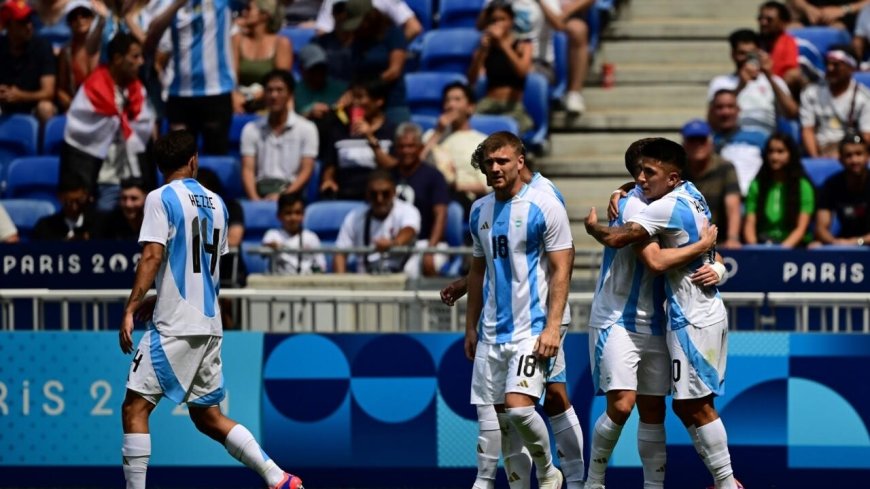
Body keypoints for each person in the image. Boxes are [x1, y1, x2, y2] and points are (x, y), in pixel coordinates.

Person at [118, 130, 304, 489]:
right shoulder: (218, 204)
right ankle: (278, 477)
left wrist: (131, 306)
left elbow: (153, 255)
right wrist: (163, 293)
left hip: (175, 325)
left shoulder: (159, 198)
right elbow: (206, 269)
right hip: (209, 323)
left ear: (159, 167)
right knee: (207, 416)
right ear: (193, 161)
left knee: (134, 408)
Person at [584, 138, 741, 489]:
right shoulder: (671, 196)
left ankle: (725, 482)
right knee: (630, 406)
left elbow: (654, 260)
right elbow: (703, 252)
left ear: (672, 177)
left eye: (648, 171)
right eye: (637, 171)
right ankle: (592, 481)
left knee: (684, 407)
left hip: (685, 318)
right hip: (619, 318)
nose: (641, 178)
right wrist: (714, 262)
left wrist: (593, 227)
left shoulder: (660, 205)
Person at [442, 150, 585, 489]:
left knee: (539, 401)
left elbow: (560, 260)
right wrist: (467, 292)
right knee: (525, 406)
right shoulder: (483, 208)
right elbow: (493, 257)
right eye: (487, 163)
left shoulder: (545, 196)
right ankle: (512, 481)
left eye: (500, 161)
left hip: (542, 316)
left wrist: (552, 325)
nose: (493, 168)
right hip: (499, 320)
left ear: (520, 160)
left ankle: (576, 479)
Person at [61, 32, 153, 212]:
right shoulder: (92, 91)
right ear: (118, 59)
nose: (141, 61)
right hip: (103, 179)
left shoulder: (138, 90)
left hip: (134, 177)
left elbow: (143, 134)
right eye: (135, 56)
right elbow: (78, 136)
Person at [145, 0, 236, 155]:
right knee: (179, 158)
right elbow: (151, 38)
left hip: (216, 92)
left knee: (215, 156)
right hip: (180, 94)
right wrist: (176, 5)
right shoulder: (168, 3)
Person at [241, 70, 318, 201]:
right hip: (260, 192)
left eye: (279, 90)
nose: (274, 95)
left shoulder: (307, 129)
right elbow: (247, 169)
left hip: (292, 195)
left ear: (290, 94)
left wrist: (284, 197)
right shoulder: (251, 129)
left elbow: (307, 169)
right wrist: (255, 201)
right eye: (269, 90)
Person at [708, 28, 798, 138]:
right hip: (730, 140)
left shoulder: (775, 81)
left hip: (765, 140)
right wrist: (740, 86)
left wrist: (769, 76)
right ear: (733, 54)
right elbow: (712, 121)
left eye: (751, 54)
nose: (746, 59)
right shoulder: (720, 82)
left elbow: (792, 113)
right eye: (742, 53)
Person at [389, 122, 450, 278]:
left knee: (412, 272)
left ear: (421, 148)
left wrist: (431, 249)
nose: (406, 151)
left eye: (411, 146)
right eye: (402, 146)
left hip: (426, 241)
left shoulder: (434, 176)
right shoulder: (388, 176)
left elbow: (440, 215)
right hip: (395, 243)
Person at [319, 78, 396, 200]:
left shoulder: (392, 131)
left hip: (379, 197)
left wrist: (370, 138)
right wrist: (328, 180)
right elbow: (330, 164)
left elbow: (393, 167)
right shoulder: (339, 130)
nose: (354, 103)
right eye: (352, 97)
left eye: (360, 97)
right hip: (345, 195)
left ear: (378, 101)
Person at [333, 169, 420, 274]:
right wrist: (341, 285)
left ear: (394, 192)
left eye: (385, 193)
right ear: (367, 194)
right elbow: (340, 253)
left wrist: (393, 244)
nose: (380, 199)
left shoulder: (407, 210)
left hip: (401, 279)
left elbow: (409, 230)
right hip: (366, 280)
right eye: (374, 194)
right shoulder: (354, 217)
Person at [421, 81, 489, 213]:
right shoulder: (431, 135)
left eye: (457, 100)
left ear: (470, 107)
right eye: (447, 100)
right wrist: (438, 132)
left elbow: (487, 185)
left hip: (460, 197)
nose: (450, 105)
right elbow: (417, 162)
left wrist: (455, 185)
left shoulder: (482, 142)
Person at [468, 1, 534, 134]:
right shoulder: (484, 47)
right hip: (489, 103)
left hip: (513, 105)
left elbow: (522, 72)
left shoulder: (523, 45)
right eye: (494, 20)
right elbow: (472, 79)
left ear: (511, 21)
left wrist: (503, 44)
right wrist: (482, 51)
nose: (498, 23)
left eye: (502, 19)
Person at [344, 0, 411, 123]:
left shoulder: (393, 33)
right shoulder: (357, 41)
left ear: (369, 18)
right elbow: (355, 73)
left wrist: (369, 87)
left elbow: (394, 71)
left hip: (392, 103)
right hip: (363, 105)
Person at [743, 133, 815, 247]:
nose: (774, 157)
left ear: (791, 154)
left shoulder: (803, 187)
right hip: (762, 245)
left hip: (794, 248)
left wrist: (780, 253)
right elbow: (750, 223)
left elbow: (801, 228)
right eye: (771, 151)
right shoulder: (757, 185)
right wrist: (755, 248)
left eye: (780, 152)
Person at [681, 119, 743, 248]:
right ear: (684, 144)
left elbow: (733, 206)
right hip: (681, 241)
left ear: (711, 143)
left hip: (718, 241)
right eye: (692, 141)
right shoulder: (677, 170)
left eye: (702, 140)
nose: (697, 145)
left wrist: (733, 238)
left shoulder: (725, 167)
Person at [800, 44, 870, 157]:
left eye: (836, 65)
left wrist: (842, 153)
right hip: (819, 150)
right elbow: (807, 129)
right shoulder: (811, 93)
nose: (830, 68)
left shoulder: (863, 97)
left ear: (850, 67)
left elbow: (866, 136)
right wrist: (817, 159)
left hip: (850, 151)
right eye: (827, 64)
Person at [0, 0, 57, 124]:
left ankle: (42, 143)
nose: (29, 25)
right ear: (9, 26)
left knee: (45, 108)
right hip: (3, 106)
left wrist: (21, 96)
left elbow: (48, 92)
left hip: (32, 106)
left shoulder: (42, 47)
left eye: (29, 20)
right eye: (22, 22)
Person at [232, 0, 292, 113]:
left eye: (249, 9)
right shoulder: (237, 40)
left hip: (269, 104)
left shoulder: (281, 43)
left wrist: (256, 96)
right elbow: (231, 77)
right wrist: (235, 96)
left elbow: (282, 83)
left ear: (264, 15)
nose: (244, 12)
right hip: (239, 103)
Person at [814, 132, 870, 245]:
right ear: (840, 159)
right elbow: (821, 228)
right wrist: (835, 242)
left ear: (867, 156)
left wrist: (857, 242)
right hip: (843, 243)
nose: (854, 160)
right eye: (848, 155)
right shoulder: (832, 184)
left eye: (859, 154)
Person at [707, 89, 766, 196]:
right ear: (712, 111)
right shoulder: (705, 143)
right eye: (720, 107)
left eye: (730, 106)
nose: (725, 112)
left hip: (755, 201)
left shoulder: (759, 137)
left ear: (738, 110)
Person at [262, 192, 327, 275]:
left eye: (297, 213)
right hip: (279, 284)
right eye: (288, 213)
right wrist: (272, 246)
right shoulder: (272, 235)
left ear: (303, 215)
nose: (293, 217)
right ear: (279, 216)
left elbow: (321, 266)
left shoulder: (311, 237)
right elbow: (264, 249)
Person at [56, 0, 99, 112]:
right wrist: (74, 106)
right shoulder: (66, 52)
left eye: (84, 14)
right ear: (69, 22)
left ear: (92, 18)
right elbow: (61, 90)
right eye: (74, 17)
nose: (79, 20)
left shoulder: (103, 47)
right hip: (75, 108)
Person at [315, 0, 422, 41]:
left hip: (376, 62)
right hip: (344, 62)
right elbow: (323, 33)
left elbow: (414, 28)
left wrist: (392, 50)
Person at [32, 175, 99, 241]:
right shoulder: (45, 227)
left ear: (85, 196)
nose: (74, 207)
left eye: (79, 201)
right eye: (68, 202)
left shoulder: (99, 225)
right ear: (60, 198)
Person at [294, 43, 347, 123]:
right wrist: (307, 114)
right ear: (302, 69)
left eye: (321, 68)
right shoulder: (293, 92)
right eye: (313, 69)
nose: (318, 73)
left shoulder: (342, 89)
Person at [757, 1, 802, 95]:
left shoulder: (788, 42)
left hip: (778, 89)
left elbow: (791, 73)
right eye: (761, 18)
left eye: (769, 20)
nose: (763, 22)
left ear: (783, 23)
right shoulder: (754, 42)